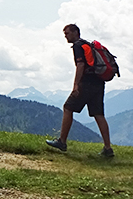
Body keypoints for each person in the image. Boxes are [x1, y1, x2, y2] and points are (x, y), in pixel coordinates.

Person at [46, 24, 114, 157]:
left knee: (67, 107)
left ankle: (62, 142)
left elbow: (81, 65)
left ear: (75, 32)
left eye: (67, 33)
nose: (65, 36)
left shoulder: (78, 46)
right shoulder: (87, 44)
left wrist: (76, 85)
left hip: (86, 83)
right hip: (99, 83)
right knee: (98, 114)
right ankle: (108, 148)